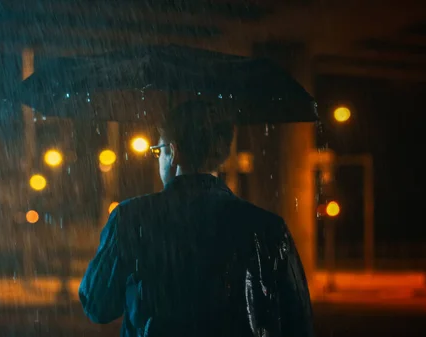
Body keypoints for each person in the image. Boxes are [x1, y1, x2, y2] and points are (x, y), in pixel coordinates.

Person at [79, 100, 314, 337]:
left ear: (174, 152)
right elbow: (298, 321)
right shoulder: (267, 228)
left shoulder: (132, 218)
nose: (159, 158)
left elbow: (98, 306)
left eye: (159, 151)